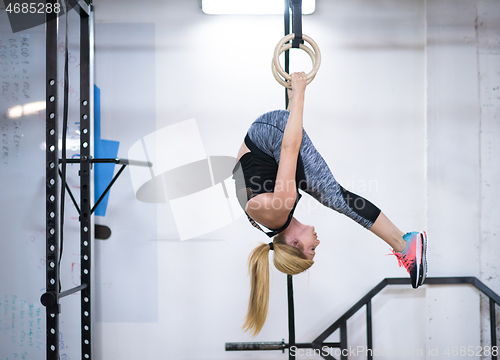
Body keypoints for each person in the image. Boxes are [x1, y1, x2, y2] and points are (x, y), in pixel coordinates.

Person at [232, 72, 427, 336]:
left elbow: (290, 149)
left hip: (269, 133)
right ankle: (404, 243)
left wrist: (299, 95)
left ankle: (406, 244)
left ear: (295, 244)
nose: (318, 244)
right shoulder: (270, 221)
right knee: (328, 195)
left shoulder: (279, 209)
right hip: (266, 140)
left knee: (335, 197)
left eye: (312, 251)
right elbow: (273, 166)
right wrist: (292, 103)